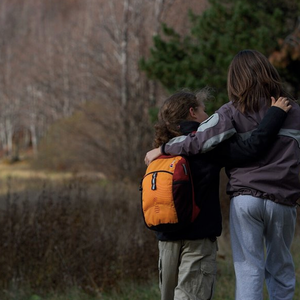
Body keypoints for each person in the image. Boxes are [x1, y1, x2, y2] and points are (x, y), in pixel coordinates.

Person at [145, 50, 300, 300]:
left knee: (249, 270)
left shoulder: (229, 111)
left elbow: (198, 141)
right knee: (281, 269)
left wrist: (163, 149)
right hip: (283, 200)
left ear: (234, 80)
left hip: (245, 199)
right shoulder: (293, 110)